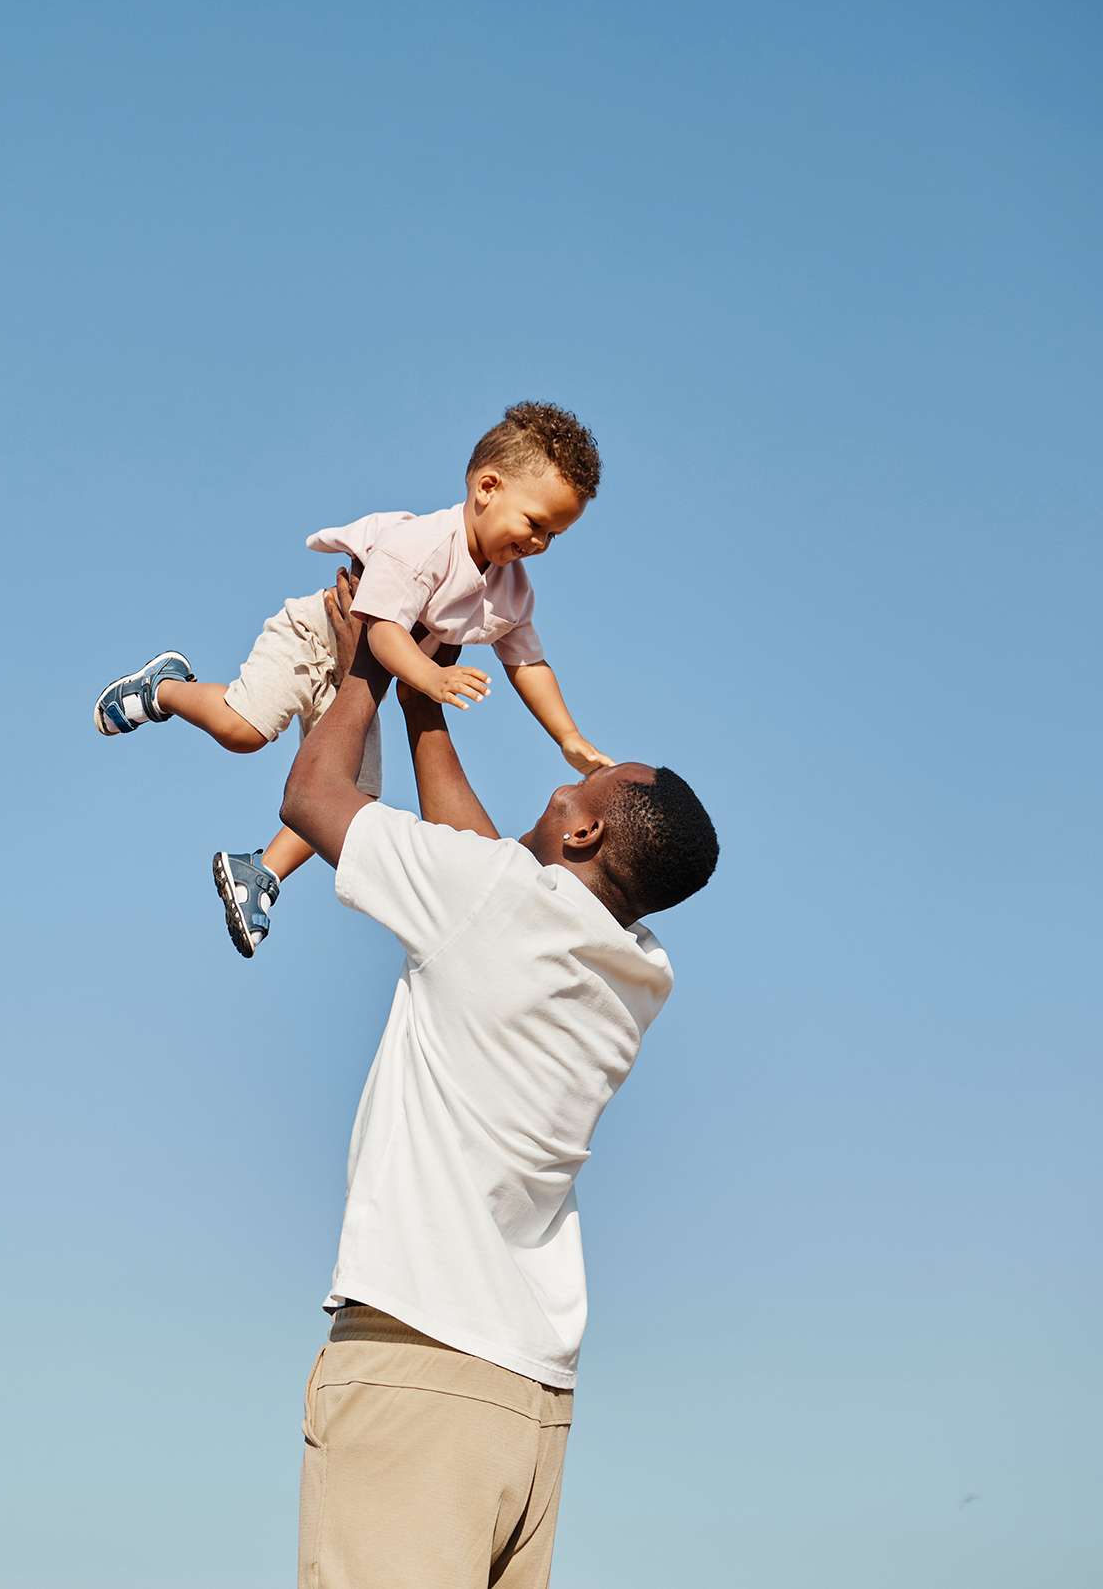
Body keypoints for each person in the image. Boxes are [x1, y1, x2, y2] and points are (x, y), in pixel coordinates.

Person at [276, 588, 717, 1589]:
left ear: (583, 835)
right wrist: (423, 701)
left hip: (419, 1365)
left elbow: (312, 797)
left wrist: (366, 660)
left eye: (590, 782)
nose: (574, 775)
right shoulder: (634, 971)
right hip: (527, 1401)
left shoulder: (496, 903)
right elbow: (486, 874)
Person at [90, 402, 612, 960]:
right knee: (242, 731)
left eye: (553, 535)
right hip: (316, 639)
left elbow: (528, 663)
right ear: (487, 488)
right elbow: (382, 633)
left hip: (369, 675)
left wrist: (567, 736)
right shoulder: (424, 546)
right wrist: (430, 677)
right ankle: (163, 687)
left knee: (352, 793)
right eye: (535, 523)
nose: (539, 544)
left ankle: (260, 872)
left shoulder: (511, 590)